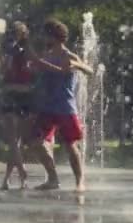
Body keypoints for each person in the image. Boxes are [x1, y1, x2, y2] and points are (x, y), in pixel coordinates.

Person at [27, 18, 93, 192]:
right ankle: (53, 178)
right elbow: (40, 74)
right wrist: (33, 67)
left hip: (65, 106)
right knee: (36, 142)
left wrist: (77, 64)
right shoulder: (46, 56)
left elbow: (90, 71)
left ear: (53, 36)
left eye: (45, 35)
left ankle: (80, 181)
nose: (42, 38)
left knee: (70, 145)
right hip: (47, 107)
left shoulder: (68, 55)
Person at [0, 21, 33, 190]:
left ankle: (17, 174)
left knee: (15, 141)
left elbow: (5, 72)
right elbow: (3, 71)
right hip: (18, 95)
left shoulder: (24, 52)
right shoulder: (11, 51)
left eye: (17, 33)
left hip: (17, 95)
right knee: (14, 141)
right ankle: (16, 176)